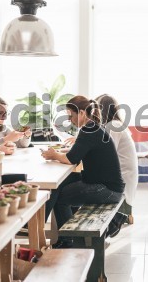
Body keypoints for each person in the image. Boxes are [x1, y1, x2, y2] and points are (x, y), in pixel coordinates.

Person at [41, 95, 126, 247]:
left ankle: (67, 241)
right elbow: (78, 152)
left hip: (107, 189)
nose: (70, 119)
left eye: (71, 115)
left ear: (81, 113)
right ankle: (42, 228)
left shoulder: (89, 129)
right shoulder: (92, 127)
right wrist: (63, 153)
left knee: (60, 198)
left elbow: (71, 159)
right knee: (58, 186)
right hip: (104, 183)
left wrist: (54, 155)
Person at [95, 94, 138, 217]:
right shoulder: (116, 124)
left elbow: (105, 153)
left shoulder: (113, 126)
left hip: (121, 180)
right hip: (122, 176)